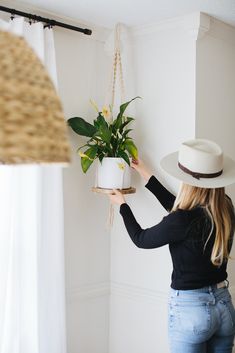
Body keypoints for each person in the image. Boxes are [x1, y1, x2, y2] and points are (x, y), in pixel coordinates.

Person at [108, 138, 235, 353]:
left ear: (187, 181)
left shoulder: (182, 220)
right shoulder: (225, 209)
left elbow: (141, 239)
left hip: (191, 312)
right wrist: (146, 174)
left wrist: (122, 205)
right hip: (224, 307)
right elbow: (177, 210)